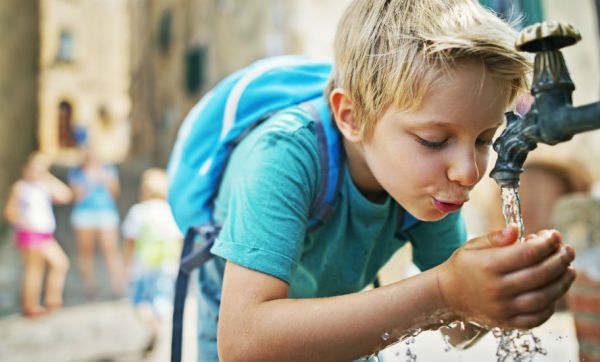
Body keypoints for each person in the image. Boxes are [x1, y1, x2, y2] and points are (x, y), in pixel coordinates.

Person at [193, 1, 577, 360]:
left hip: (335, 312)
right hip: (245, 318)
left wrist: (500, 292)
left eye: (482, 139)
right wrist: (443, 290)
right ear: (352, 117)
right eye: (434, 140)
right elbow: (244, 342)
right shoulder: (284, 155)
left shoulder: (430, 189)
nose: (468, 172)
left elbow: (461, 333)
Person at [3, 152, 72, 317]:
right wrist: (25, 223)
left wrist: (48, 178)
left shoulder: (43, 186)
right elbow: (9, 212)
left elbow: (66, 195)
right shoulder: (21, 187)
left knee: (55, 265)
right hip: (31, 234)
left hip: (44, 234)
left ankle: (49, 301)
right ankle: (33, 306)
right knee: (36, 269)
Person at [122, 168, 182, 355]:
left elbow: (130, 240)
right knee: (161, 297)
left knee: (139, 301)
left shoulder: (138, 212)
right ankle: (159, 320)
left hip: (144, 266)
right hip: (168, 265)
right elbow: (179, 239)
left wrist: (126, 264)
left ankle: (153, 326)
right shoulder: (170, 211)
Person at [68, 148, 124, 297]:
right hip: (84, 214)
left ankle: (117, 284)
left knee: (111, 249)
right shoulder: (77, 173)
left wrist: (104, 180)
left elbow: (115, 193)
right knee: (86, 251)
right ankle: (89, 285)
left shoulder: (108, 170)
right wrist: (89, 182)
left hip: (105, 212)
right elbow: (76, 195)